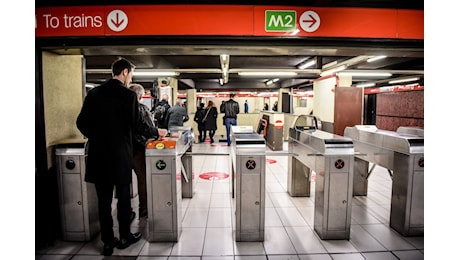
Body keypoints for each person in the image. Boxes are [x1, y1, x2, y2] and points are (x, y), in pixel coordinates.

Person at [76, 58, 142, 256]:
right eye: (130, 74)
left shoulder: (94, 93)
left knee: (104, 201)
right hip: (120, 155)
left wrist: (96, 137)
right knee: (123, 199)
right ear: (124, 72)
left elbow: (81, 122)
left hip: (98, 156)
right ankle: (124, 237)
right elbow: (136, 125)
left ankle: (107, 241)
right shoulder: (128, 95)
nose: (130, 79)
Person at [128, 84, 167, 218]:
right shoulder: (141, 109)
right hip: (138, 150)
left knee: (123, 181)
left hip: (123, 150)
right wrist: (158, 133)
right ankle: (144, 208)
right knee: (142, 179)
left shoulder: (120, 109)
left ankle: (126, 211)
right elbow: (149, 129)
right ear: (140, 96)